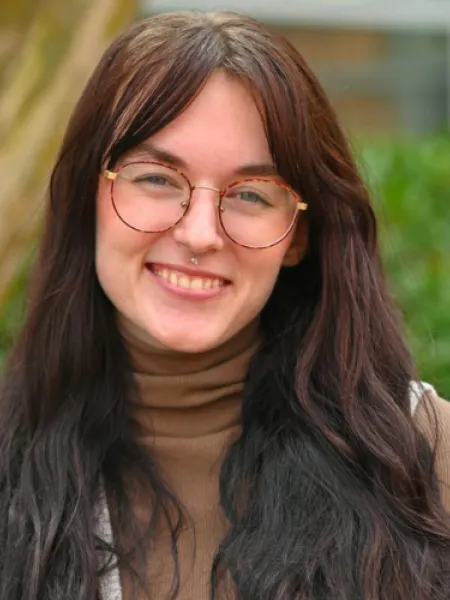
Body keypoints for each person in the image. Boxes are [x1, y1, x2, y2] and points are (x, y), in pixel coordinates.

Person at [0, 10, 449, 600]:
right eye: (157, 178)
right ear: (90, 197)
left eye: (250, 194)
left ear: (298, 237)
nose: (201, 235)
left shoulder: (424, 459)